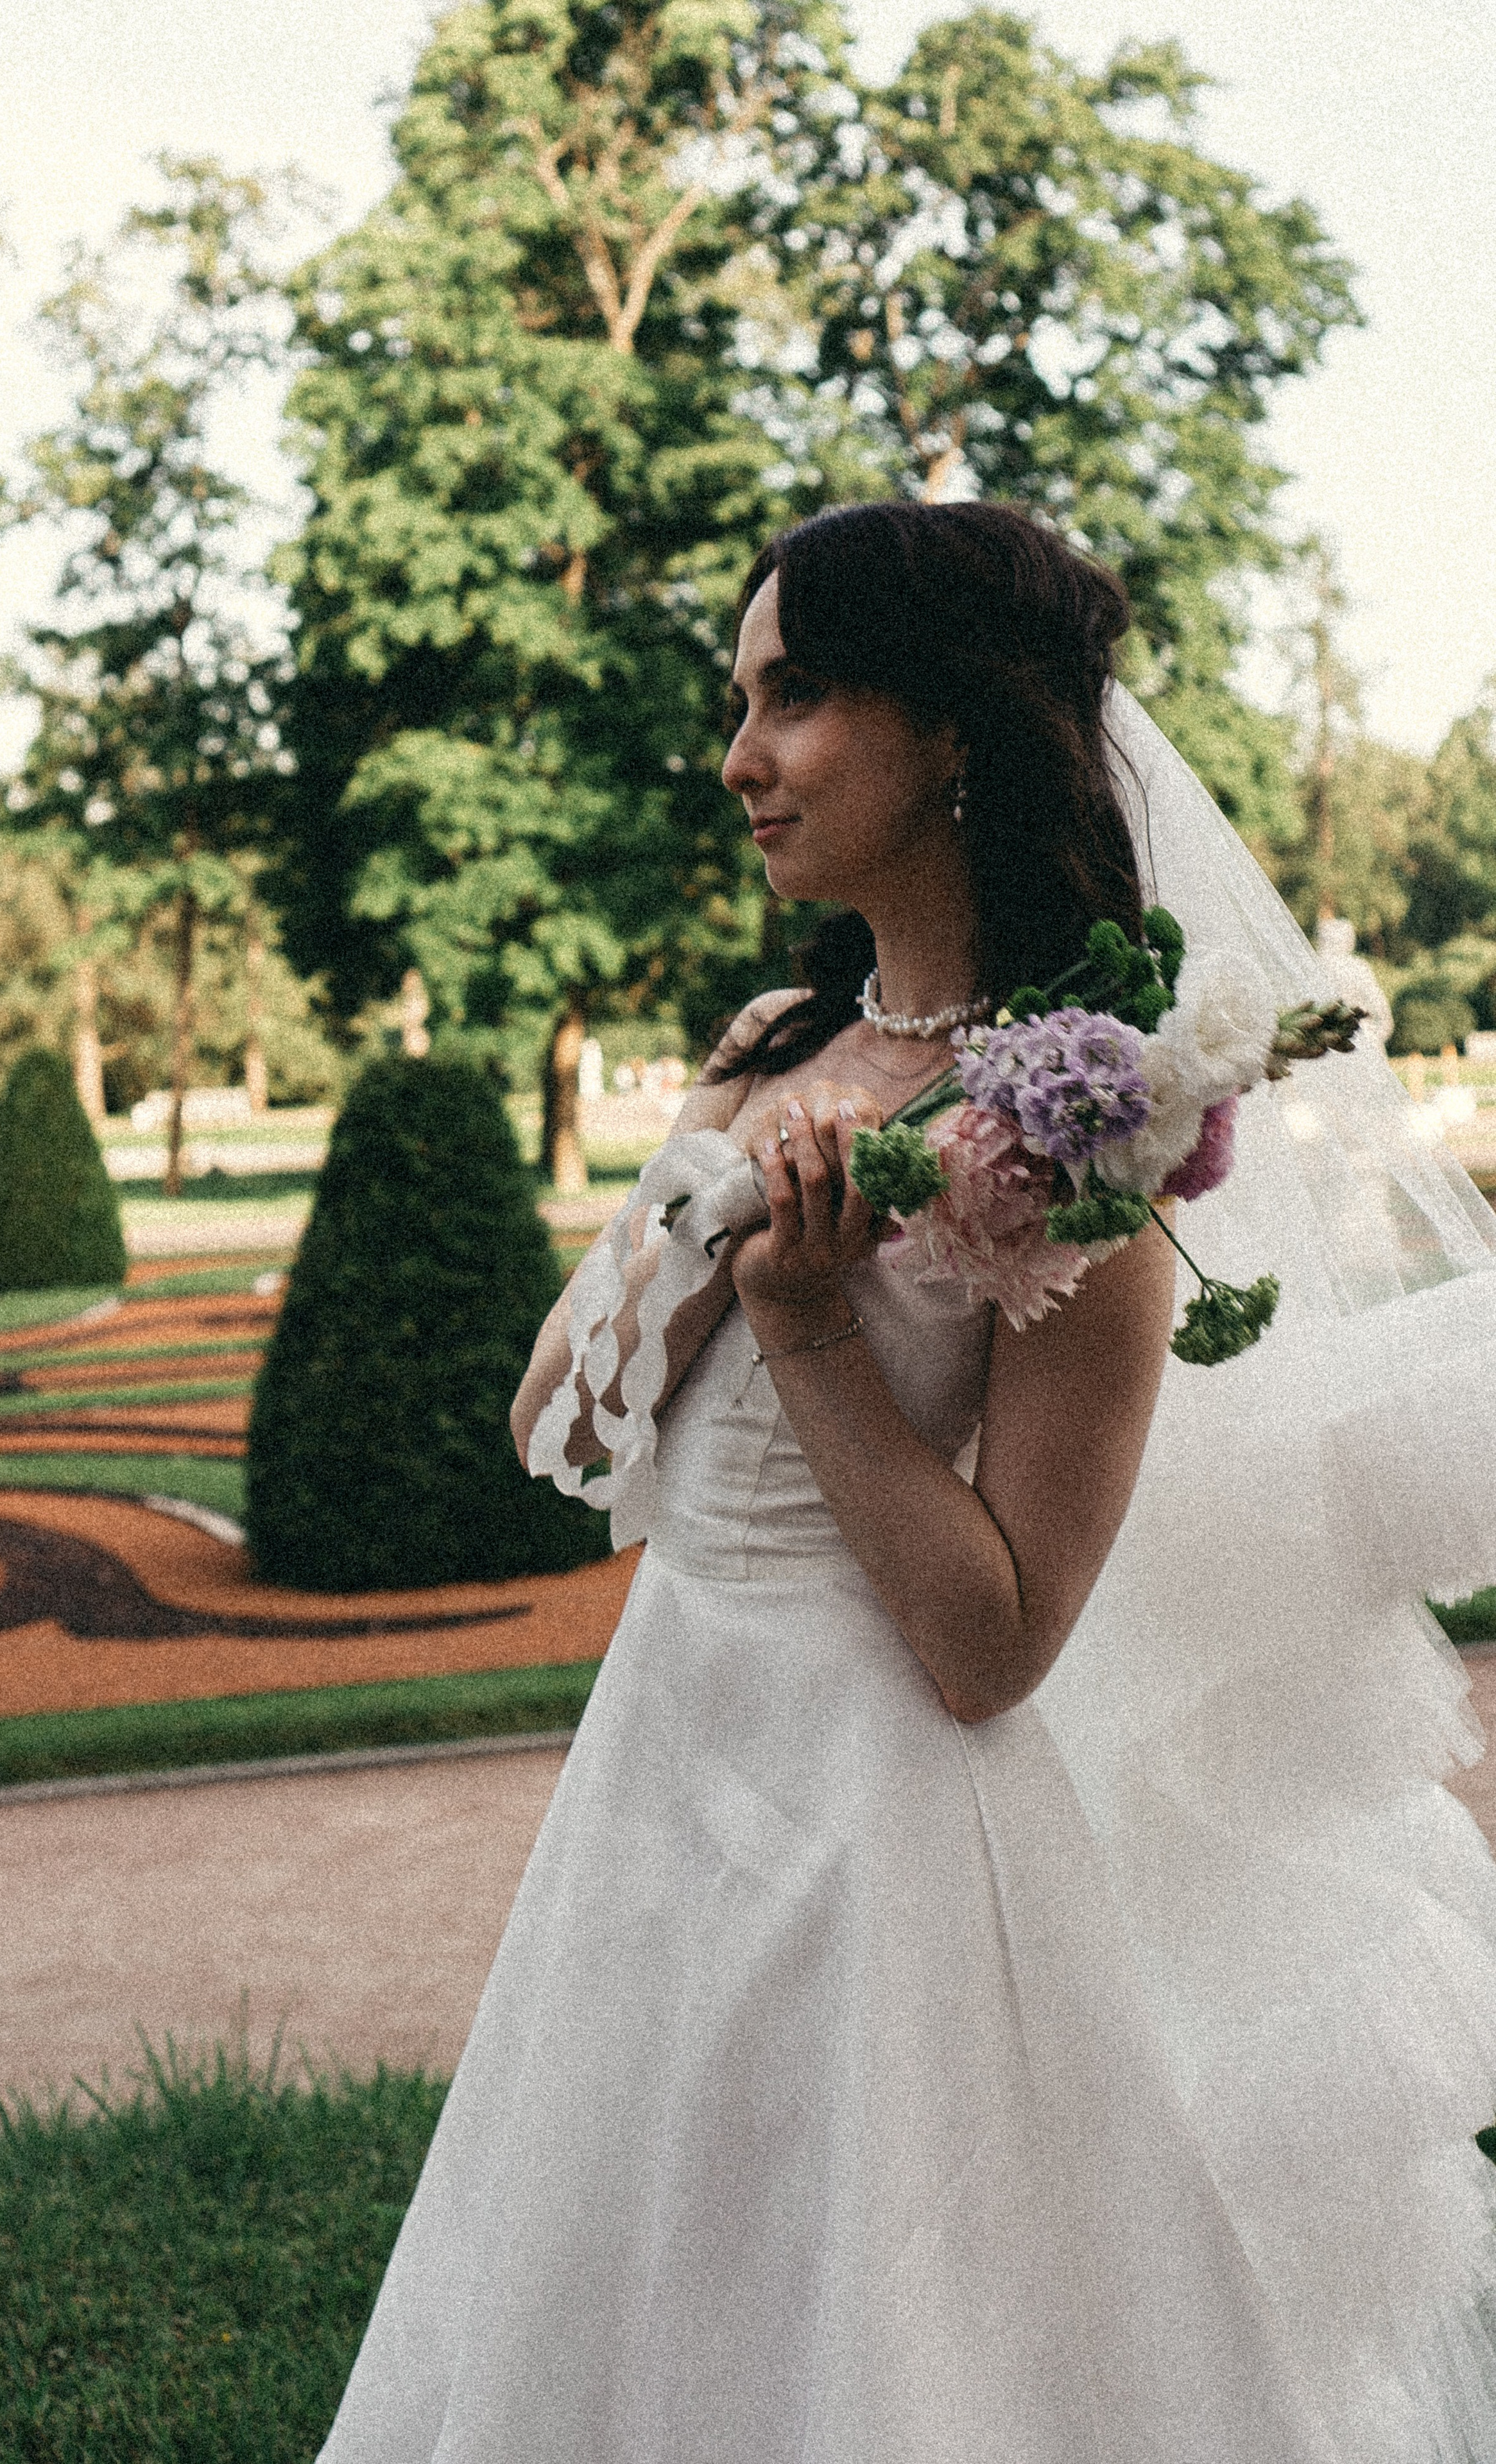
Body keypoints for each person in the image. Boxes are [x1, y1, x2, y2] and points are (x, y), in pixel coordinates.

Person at [318, 504, 1496, 2464]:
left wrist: (811, 1334)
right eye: (739, 702)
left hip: (875, 1847)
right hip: (665, 1770)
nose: (740, 756)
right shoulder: (782, 1047)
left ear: (948, 728)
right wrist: (689, 1182)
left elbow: (992, 1645)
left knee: (886, 2341)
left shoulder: (1090, 1136)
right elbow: (555, 1426)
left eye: (795, 697)